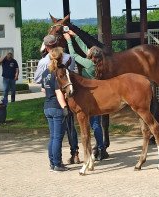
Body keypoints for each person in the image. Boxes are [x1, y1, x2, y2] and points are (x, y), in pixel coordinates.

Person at [63, 30, 109, 161]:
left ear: (92, 57)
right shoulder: (100, 63)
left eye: (90, 52)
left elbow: (73, 55)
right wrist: (75, 35)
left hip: (90, 96)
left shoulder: (88, 64)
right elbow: (85, 50)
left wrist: (68, 41)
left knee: (94, 124)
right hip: (100, 94)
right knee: (98, 123)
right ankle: (101, 147)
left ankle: (100, 147)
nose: (87, 52)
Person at [35, 35, 80, 164]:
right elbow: (75, 74)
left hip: (51, 100)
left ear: (47, 47)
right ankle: (75, 153)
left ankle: (54, 162)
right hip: (68, 96)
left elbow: (38, 79)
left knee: (54, 136)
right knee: (71, 127)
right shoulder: (68, 58)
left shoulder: (43, 62)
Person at [41, 47, 70, 172]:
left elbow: (43, 89)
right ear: (60, 58)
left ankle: (52, 163)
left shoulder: (45, 73)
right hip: (57, 107)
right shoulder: (57, 73)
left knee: (52, 137)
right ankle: (58, 164)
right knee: (58, 137)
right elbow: (59, 93)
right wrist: (65, 108)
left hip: (47, 106)